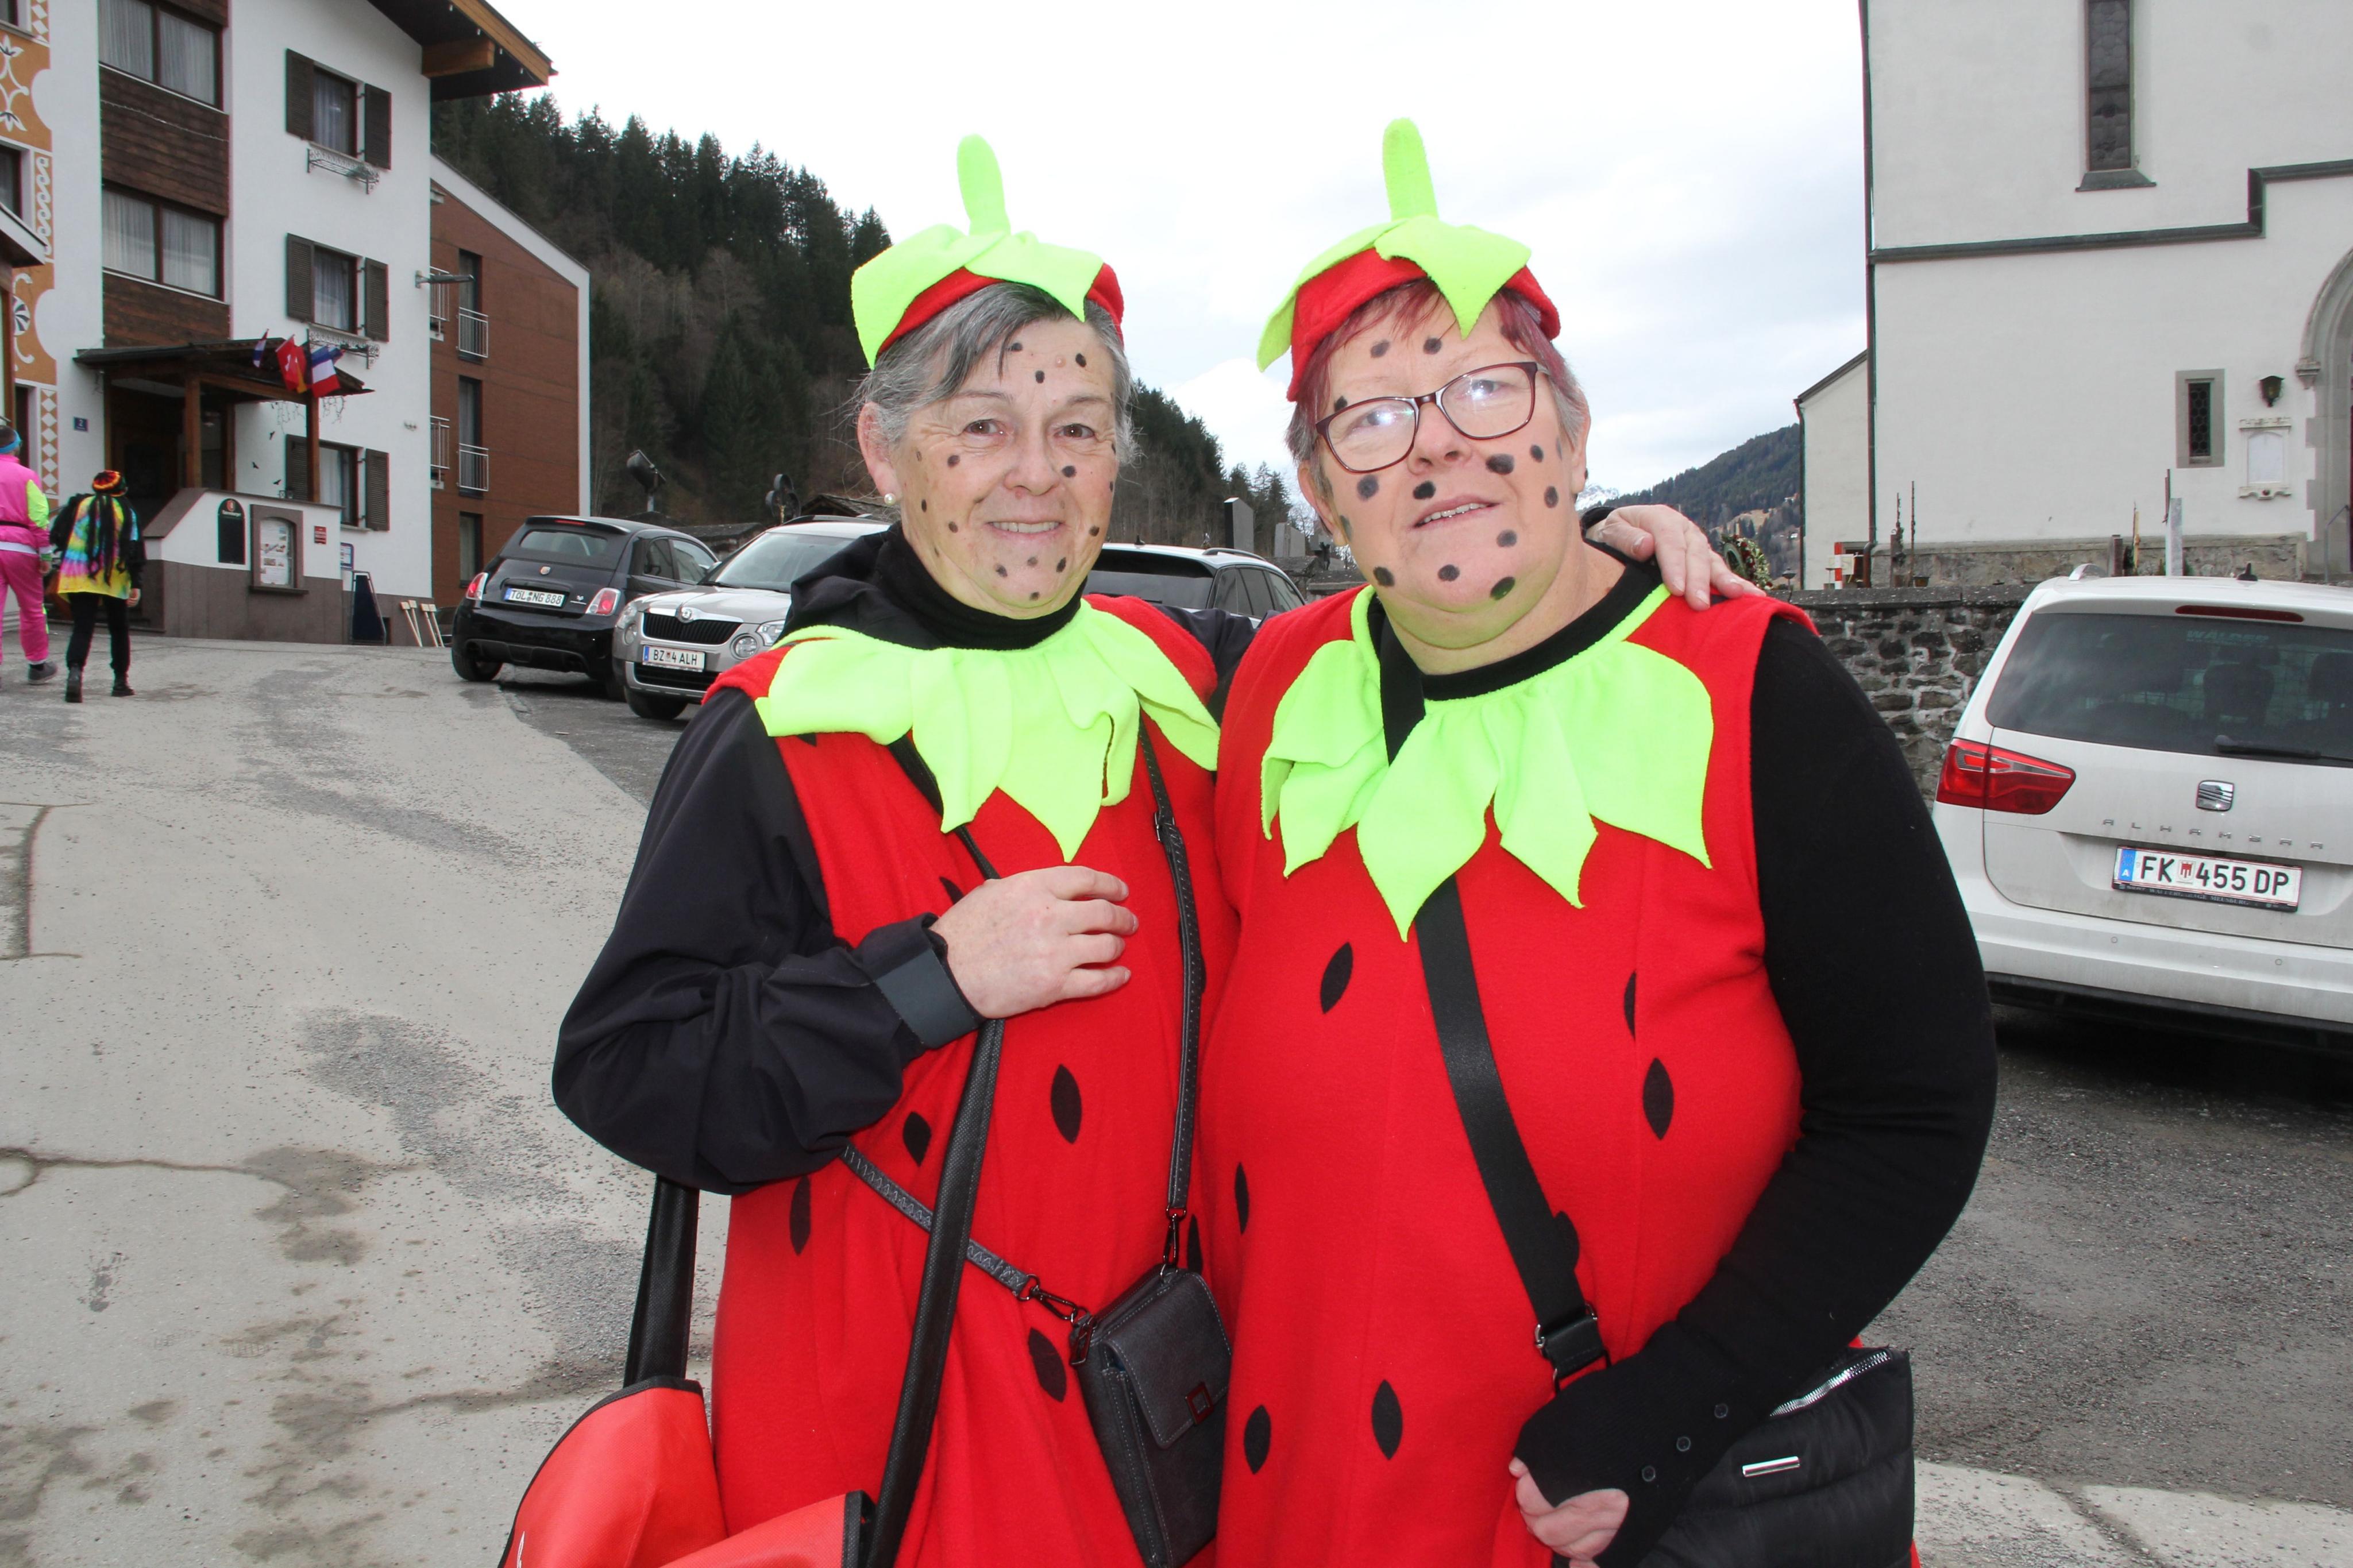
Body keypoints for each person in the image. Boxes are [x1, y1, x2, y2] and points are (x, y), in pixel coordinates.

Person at [555, 138, 1737, 1566]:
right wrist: (923, 984)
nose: (1036, 476)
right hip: (889, 1446)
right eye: (983, 427)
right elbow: (626, 1067)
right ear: (882, 448)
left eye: (1079, 428)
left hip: (1149, 1448)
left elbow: (1425, 634)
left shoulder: (1195, 683)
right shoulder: (775, 731)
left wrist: (1576, 550)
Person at [1194, 121, 1997, 1568]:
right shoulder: (1274, 689)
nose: (1437, 442)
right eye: (1370, 418)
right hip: (1301, 1498)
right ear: (1317, 492)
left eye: (1482, 388)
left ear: (1568, 430)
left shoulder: (1752, 692)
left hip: (1599, 1506)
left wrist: (1681, 1410)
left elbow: (1914, 1108)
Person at [50, 470, 143, 702]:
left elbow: (60, 535)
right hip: (114, 576)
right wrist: (136, 583)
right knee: (119, 629)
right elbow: (134, 549)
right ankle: (120, 682)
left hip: (78, 573)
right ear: (121, 489)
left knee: (82, 627)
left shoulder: (79, 505)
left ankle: (75, 672)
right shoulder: (126, 510)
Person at [0, 420, 56, 687]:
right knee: (32, 608)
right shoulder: (27, 476)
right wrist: (45, 554)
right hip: (21, 548)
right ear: (16, 446)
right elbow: (38, 517)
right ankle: (37, 666)